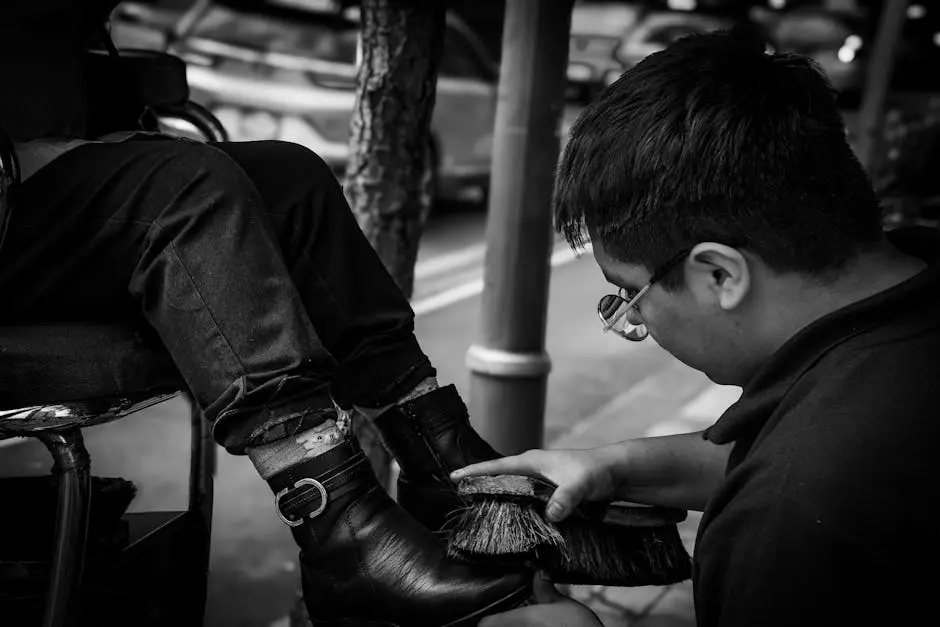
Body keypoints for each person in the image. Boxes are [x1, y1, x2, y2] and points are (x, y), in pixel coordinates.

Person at [0, 2, 531, 625]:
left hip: (44, 153)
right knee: (190, 191)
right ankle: (339, 532)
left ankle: (442, 464)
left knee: (293, 178)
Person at [455, 28, 940, 627]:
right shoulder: (907, 305)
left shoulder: (792, 525)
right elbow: (770, 447)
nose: (635, 318)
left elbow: (794, 468)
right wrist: (618, 464)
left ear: (718, 274)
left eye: (630, 293)